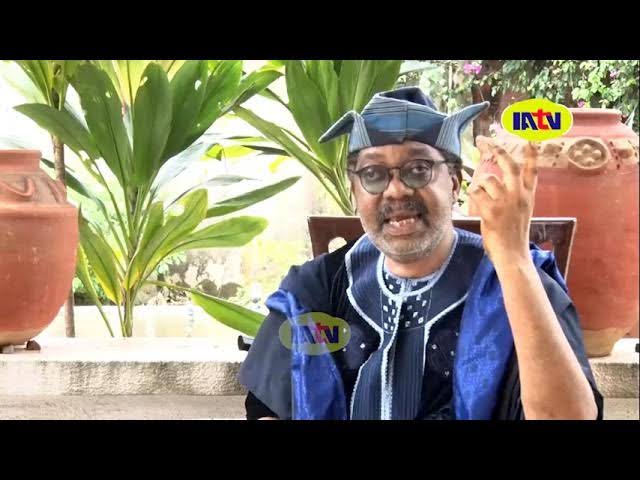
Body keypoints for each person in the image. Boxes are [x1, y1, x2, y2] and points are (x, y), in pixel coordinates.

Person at [238, 87, 602, 420]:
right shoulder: (316, 289)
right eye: (373, 174)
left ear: (455, 183)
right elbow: (266, 409)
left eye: (418, 169)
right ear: (354, 193)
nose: (396, 190)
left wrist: (513, 259)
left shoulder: (517, 283)